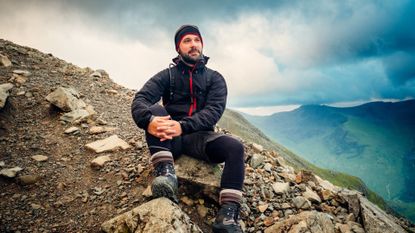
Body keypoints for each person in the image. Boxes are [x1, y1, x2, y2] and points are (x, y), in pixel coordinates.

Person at [131, 25, 245, 233]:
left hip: (200, 138)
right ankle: (167, 175)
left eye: (196, 40)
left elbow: (213, 111)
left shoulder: (215, 78)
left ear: (202, 44)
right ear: (178, 48)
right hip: (169, 139)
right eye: (187, 41)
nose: (193, 45)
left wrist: (182, 126)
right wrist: (148, 120)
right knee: (155, 109)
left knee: (235, 147)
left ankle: (227, 215)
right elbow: (140, 99)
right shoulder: (168, 75)